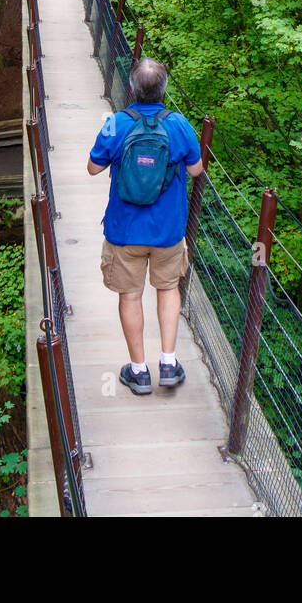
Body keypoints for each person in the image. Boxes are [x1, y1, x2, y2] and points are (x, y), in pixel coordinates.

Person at [87, 57, 203, 396]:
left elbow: (93, 168)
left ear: (132, 88)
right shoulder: (179, 124)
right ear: (164, 89)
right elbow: (196, 171)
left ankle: (138, 372)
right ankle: (168, 363)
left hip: (124, 232)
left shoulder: (115, 123)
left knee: (131, 294)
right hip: (167, 231)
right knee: (168, 289)